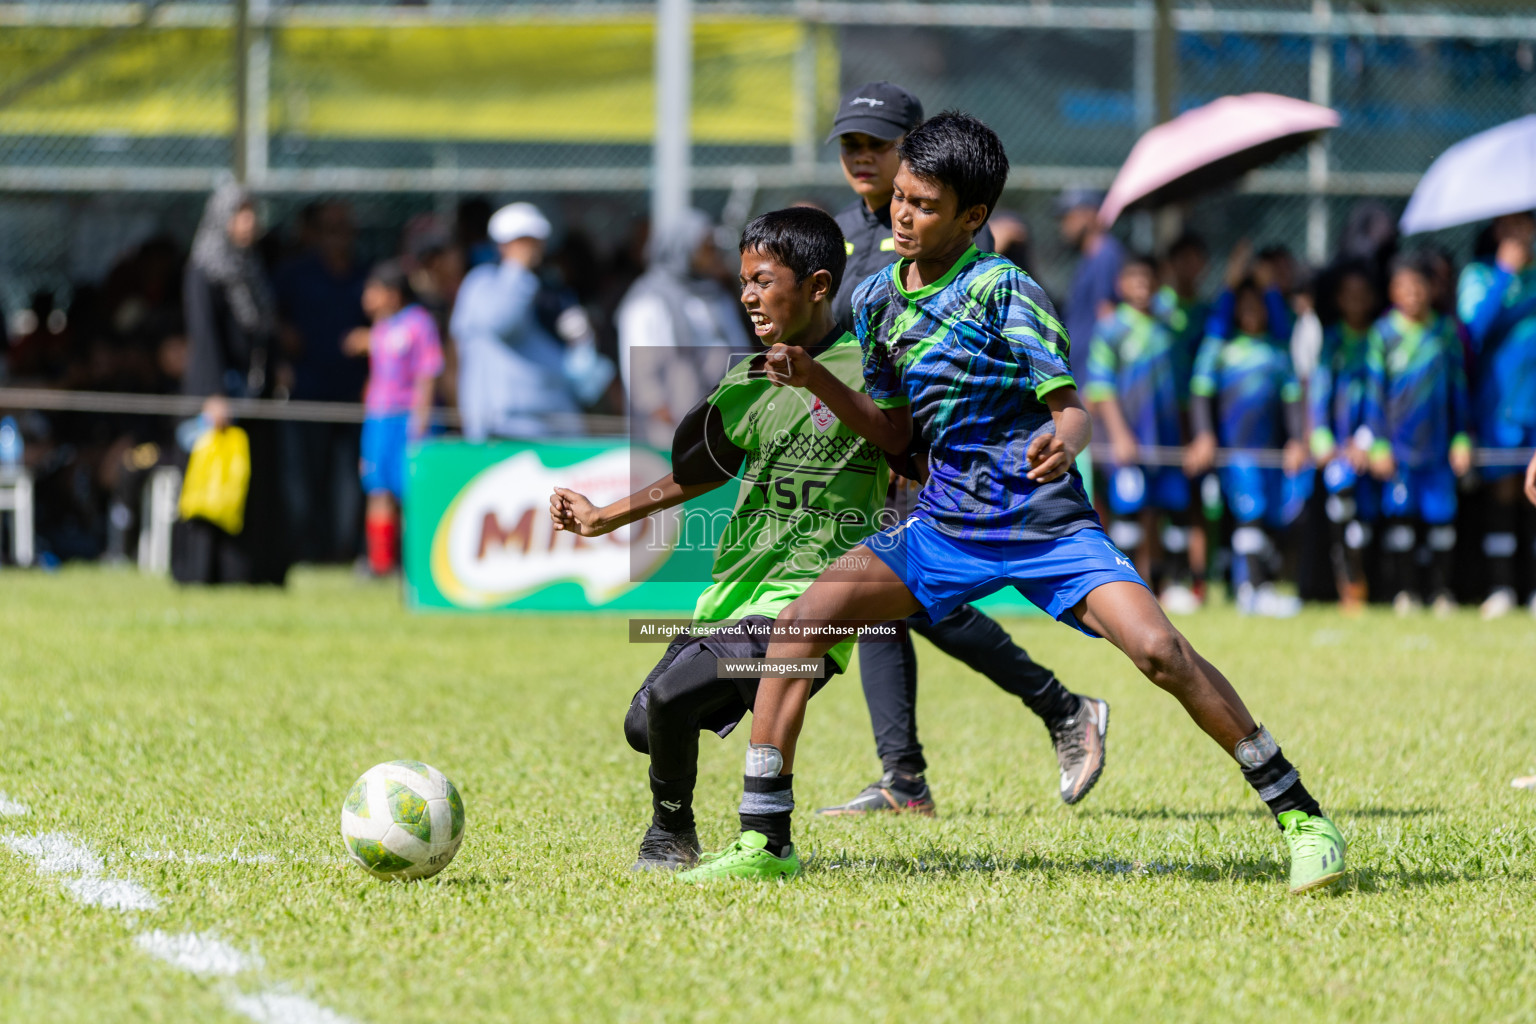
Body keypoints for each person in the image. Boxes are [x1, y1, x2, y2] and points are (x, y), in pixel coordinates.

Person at [687, 112, 1344, 894]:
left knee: (1161, 654)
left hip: (1044, 523)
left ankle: (1301, 815)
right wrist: (819, 378)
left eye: (924, 205)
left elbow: (1072, 406)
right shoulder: (874, 302)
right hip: (944, 526)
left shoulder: (1005, 291)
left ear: (972, 218)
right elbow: (896, 432)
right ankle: (766, 840)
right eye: (900, 198)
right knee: (800, 626)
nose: (901, 214)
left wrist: (1066, 438)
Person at [548, 207, 885, 873]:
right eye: (742, 281)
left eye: (763, 280)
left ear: (818, 286)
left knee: (674, 700)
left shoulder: (870, 370)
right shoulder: (749, 378)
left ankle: (670, 836)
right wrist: (603, 518)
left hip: (807, 607)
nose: (748, 297)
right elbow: (698, 474)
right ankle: (683, 819)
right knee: (645, 725)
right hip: (732, 597)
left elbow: (904, 445)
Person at [820, 82, 1101, 817]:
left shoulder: (950, 237)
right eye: (849, 143)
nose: (860, 157)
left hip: (940, 452)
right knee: (884, 607)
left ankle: (1058, 708)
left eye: (875, 145)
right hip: (862, 444)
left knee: (910, 602)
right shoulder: (844, 234)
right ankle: (907, 777)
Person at [176, 182, 290, 586]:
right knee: (217, 483)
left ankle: (254, 573)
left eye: (252, 214)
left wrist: (276, 367)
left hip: (254, 392)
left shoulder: (251, 266)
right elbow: (204, 335)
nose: (249, 223)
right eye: (241, 214)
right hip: (219, 394)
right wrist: (213, 395)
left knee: (256, 483)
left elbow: (263, 328)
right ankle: (210, 573)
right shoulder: (203, 268)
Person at [1186, 279, 1310, 618]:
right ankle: (1250, 590)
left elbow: (1292, 400)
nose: (1252, 312)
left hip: (1270, 454)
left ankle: (1258, 586)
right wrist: (1204, 435)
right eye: (1245, 305)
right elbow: (1200, 394)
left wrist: (1297, 439)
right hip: (1234, 453)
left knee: (1271, 517)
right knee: (1249, 515)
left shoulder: (1278, 352)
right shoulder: (1218, 349)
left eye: (1259, 305)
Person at [1086, 252, 1197, 611]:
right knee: (1129, 514)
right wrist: (1119, 435)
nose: (1141, 287)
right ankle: (1128, 590)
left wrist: (1187, 436)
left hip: (1165, 439)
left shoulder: (1169, 327)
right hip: (1127, 441)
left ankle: (1172, 584)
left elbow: (1182, 389)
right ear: (1121, 284)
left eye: (1148, 280)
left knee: (1172, 511)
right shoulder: (1111, 329)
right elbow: (1101, 388)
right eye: (1134, 279)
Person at [451, 203, 613, 440]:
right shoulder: (482, 283)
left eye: (536, 241)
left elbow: (577, 350)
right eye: (524, 241)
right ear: (504, 244)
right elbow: (501, 321)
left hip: (553, 423)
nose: (534, 248)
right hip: (505, 427)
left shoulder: (548, 286)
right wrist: (516, 267)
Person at [1367, 255, 1472, 617]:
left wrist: (1461, 437)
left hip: (1438, 448)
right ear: (1392, 291)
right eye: (1404, 286)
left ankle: (1441, 591)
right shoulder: (1383, 334)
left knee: (1442, 524)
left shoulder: (1444, 332)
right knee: (1402, 524)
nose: (1412, 294)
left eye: (1419, 286)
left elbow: (1459, 388)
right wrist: (1378, 443)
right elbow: (1373, 394)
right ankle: (1405, 592)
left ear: (1431, 289)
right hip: (1398, 450)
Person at [273, 199, 369, 565]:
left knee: (348, 482)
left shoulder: (364, 276)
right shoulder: (296, 274)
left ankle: (343, 550)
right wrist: (284, 344)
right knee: (306, 478)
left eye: (344, 230)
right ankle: (309, 551)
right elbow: (266, 316)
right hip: (308, 392)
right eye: (330, 229)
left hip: (352, 394)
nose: (338, 238)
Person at [1456, 212, 1536, 619]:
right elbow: (1470, 334)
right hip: (1498, 408)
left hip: (1534, 406)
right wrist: (1506, 273)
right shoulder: (1478, 276)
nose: (1519, 233)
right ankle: (1503, 587)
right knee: (1504, 492)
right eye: (1509, 225)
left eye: (1525, 224)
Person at [615, 208, 748, 450]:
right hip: (671, 424)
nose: (713, 254)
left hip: (722, 419)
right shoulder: (649, 299)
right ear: (682, 247)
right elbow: (638, 368)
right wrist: (660, 409)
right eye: (706, 247)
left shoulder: (715, 293)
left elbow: (739, 350)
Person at [354, 260, 444, 577]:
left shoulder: (419, 323)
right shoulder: (381, 326)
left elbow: (428, 372)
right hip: (378, 419)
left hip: (407, 418)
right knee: (378, 489)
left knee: (411, 492)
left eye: (373, 290)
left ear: (392, 293)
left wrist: (421, 418)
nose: (367, 297)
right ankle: (380, 563)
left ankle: (414, 563)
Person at [1310, 264, 1384, 614]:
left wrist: (1368, 440)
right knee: (1341, 506)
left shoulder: (1379, 339)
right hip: (1338, 451)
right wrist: (1323, 439)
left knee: (1368, 517)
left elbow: (1384, 395)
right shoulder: (1332, 341)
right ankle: (1349, 586)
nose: (1355, 301)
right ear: (1339, 299)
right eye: (1348, 294)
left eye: (1362, 294)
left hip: (1373, 447)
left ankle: (1375, 583)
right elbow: (1319, 394)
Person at [1058, 186, 1124, 384]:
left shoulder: (1105, 254)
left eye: (1068, 216)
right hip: (1080, 370)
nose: (1063, 225)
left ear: (1089, 214)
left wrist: (1099, 383)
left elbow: (1107, 315)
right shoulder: (1090, 256)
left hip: (1092, 378)